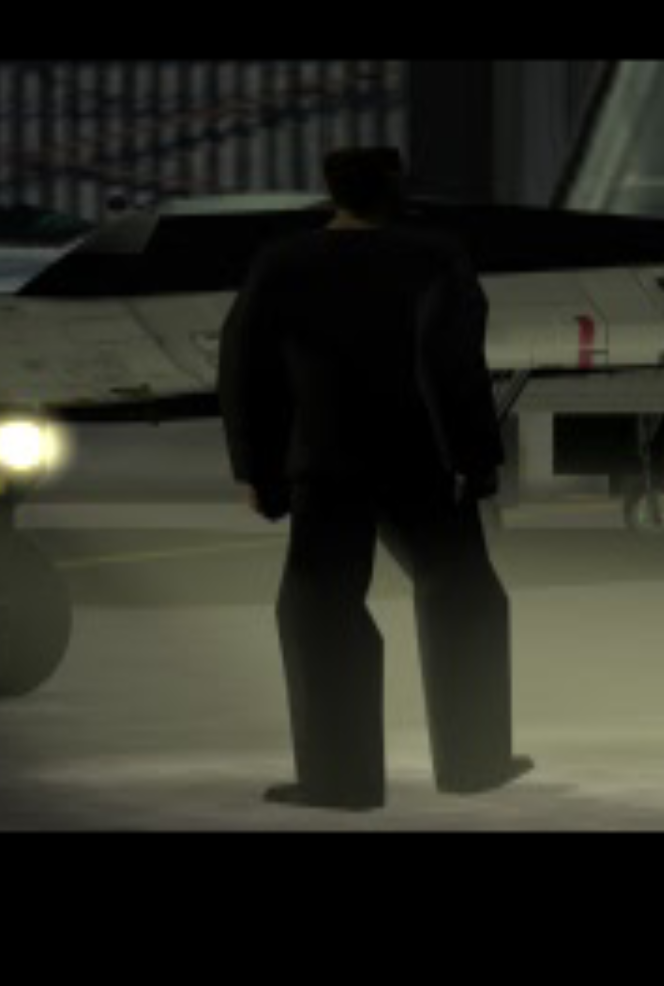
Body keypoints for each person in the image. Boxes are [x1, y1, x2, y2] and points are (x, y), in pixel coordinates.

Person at [219, 146, 531, 811]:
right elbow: (456, 365)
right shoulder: (435, 255)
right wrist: (477, 459)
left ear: (332, 190)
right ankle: (476, 762)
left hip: (326, 462)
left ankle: (341, 780)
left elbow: (245, 368)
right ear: (396, 188)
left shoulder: (284, 261)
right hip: (421, 459)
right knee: (463, 591)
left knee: (319, 609)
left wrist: (256, 469)